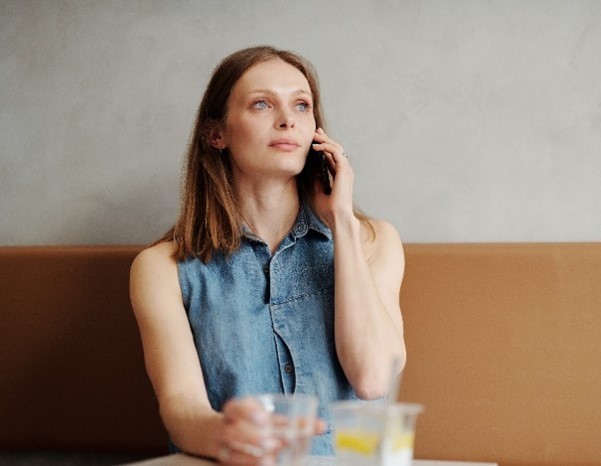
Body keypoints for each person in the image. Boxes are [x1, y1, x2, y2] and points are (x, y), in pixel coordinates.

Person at [129, 45, 406, 464]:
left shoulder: (373, 240)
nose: (287, 119)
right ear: (216, 134)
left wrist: (343, 223)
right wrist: (227, 434)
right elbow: (181, 410)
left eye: (301, 104)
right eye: (262, 104)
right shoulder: (160, 268)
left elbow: (371, 379)